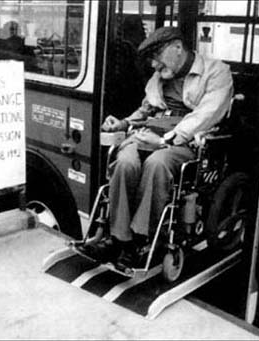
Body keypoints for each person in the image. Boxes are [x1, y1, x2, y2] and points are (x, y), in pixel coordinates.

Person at [80, 26, 234, 270]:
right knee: (125, 161)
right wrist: (124, 122)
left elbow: (205, 115)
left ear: (177, 48)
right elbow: (146, 110)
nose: (153, 64)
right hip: (150, 132)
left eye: (156, 56)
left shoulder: (216, 72)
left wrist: (164, 141)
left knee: (157, 163)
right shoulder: (160, 77)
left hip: (185, 139)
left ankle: (143, 238)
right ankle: (120, 239)